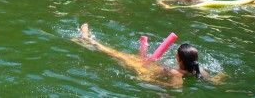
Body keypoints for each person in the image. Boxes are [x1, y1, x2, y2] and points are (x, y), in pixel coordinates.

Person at [76, 24, 217, 87]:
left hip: (144, 69)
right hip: (150, 67)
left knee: (115, 53)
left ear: (179, 59)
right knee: (126, 55)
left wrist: (145, 80)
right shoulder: (199, 70)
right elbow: (217, 80)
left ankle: (88, 39)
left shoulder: (175, 73)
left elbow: (174, 89)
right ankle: (89, 41)